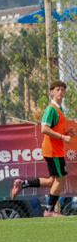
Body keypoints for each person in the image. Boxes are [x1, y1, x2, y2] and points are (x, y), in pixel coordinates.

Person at [12, 80, 75, 216]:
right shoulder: (51, 109)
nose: (60, 92)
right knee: (60, 179)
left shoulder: (59, 109)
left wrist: (66, 132)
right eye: (57, 89)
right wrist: (62, 137)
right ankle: (49, 211)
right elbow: (44, 129)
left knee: (53, 180)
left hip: (55, 150)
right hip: (53, 151)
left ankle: (23, 184)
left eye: (62, 89)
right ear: (51, 92)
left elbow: (55, 128)